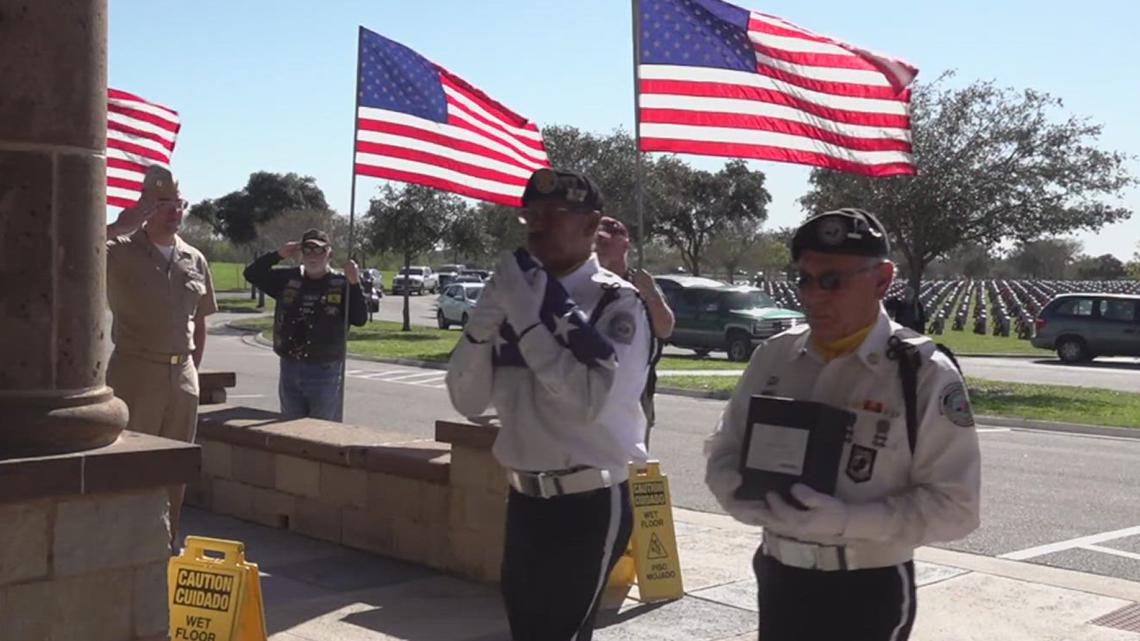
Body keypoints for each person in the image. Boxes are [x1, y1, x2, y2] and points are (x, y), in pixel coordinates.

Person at [704, 208, 981, 641]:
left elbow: (957, 509)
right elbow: (723, 449)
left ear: (882, 280)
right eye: (804, 279)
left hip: (865, 589)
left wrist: (847, 520)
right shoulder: (775, 356)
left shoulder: (922, 373)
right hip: (779, 577)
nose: (813, 295)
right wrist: (740, 498)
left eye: (832, 281)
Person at [446, 168, 651, 641]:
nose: (538, 225)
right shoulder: (515, 289)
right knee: (526, 629)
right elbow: (469, 400)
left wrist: (530, 321)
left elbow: (587, 404)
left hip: (590, 498)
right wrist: (482, 327)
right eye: (531, 215)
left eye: (555, 214)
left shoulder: (615, 303)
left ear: (590, 224)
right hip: (525, 496)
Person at [105, 165, 218, 547]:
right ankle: (125, 547)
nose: (173, 211)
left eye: (178, 203)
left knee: (175, 469)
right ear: (144, 206)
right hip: (136, 372)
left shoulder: (194, 258)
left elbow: (199, 322)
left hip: (182, 377)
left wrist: (192, 373)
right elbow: (72, 250)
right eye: (162, 203)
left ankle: (166, 546)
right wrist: (119, 227)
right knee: (129, 467)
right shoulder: (118, 250)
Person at [243, 229, 367, 422]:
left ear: (329, 254)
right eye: (307, 250)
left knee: (321, 431)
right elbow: (251, 274)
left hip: (325, 370)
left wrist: (354, 283)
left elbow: (360, 319)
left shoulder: (342, 284)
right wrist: (278, 255)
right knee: (290, 430)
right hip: (290, 366)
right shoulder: (288, 279)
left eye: (319, 251)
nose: (313, 256)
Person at [594, 215, 674, 448]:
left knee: (634, 468)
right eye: (596, 242)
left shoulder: (641, 286)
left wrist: (650, 293)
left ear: (625, 245)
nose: (599, 249)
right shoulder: (588, 283)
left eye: (607, 243)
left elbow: (665, 328)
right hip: (592, 390)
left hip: (637, 393)